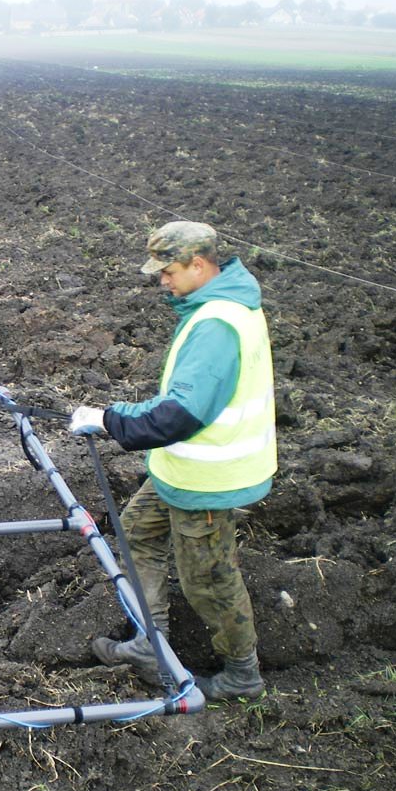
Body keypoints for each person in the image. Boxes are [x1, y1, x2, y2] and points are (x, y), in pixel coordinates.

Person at [69, 221, 276, 702]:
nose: (163, 280)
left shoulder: (217, 324)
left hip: (208, 479)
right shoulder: (213, 306)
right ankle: (149, 642)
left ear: (199, 265)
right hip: (181, 471)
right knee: (138, 529)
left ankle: (242, 674)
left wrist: (109, 419)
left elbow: (178, 413)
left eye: (169, 270)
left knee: (208, 579)